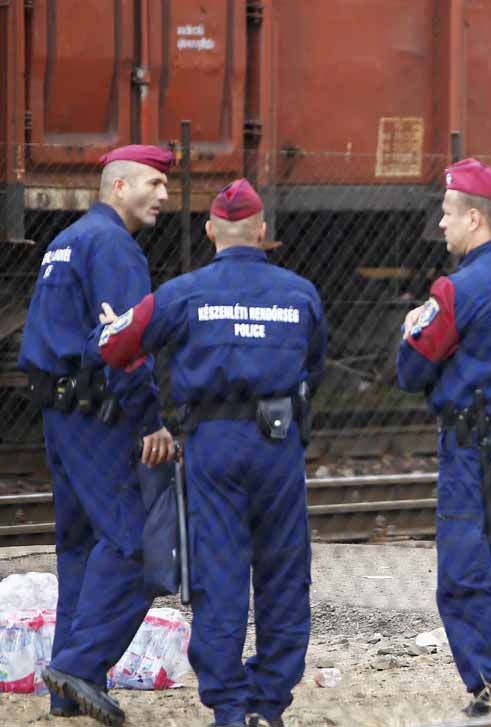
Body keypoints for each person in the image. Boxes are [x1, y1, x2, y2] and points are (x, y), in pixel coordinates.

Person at [91, 179, 326, 727]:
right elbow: (313, 367)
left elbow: (116, 346)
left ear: (209, 231)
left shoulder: (185, 291)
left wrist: (113, 333)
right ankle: (269, 702)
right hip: (278, 443)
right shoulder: (300, 293)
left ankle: (227, 704)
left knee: (220, 571)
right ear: (264, 232)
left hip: (212, 446)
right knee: (285, 571)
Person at [18, 144, 175, 726]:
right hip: (100, 416)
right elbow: (125, 344)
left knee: (81, 549)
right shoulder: (114, 247)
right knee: (137, 546)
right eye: (153, 183)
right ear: (118, 186)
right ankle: (80, 669)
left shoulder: (65, 241)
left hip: (60, 416)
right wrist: (150, 420)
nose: (163, 196)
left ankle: (68, 690)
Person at [395, 159, 491, 716]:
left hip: (472, 449)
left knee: (463, 570)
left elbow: (410, 371)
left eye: (447, 213)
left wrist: (413, 325)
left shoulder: (462, 288)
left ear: (476, 218)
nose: (441, 224)